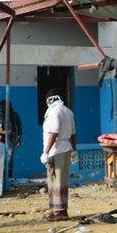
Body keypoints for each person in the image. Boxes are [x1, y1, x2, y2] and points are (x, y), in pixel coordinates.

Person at [41, 89, 76, 221]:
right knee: (61, 181)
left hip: (57, 150)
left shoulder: (54, 111)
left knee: (56, 181)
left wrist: (46, 151)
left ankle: (60, 212)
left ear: (50, 99)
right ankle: (60, 210)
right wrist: (74, 150)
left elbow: (54, 132)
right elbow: (73, 133)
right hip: (66, 148)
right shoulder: (68, 111)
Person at [0, 100, 23, 179]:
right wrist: (4, 132)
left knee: (9, 161)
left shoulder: (15, 116)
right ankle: (0, 180)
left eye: (3, 106)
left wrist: (19, 139)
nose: (1, 108)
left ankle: (8, 179)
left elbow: (19, 129)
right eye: (1, 106)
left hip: (11, 140)